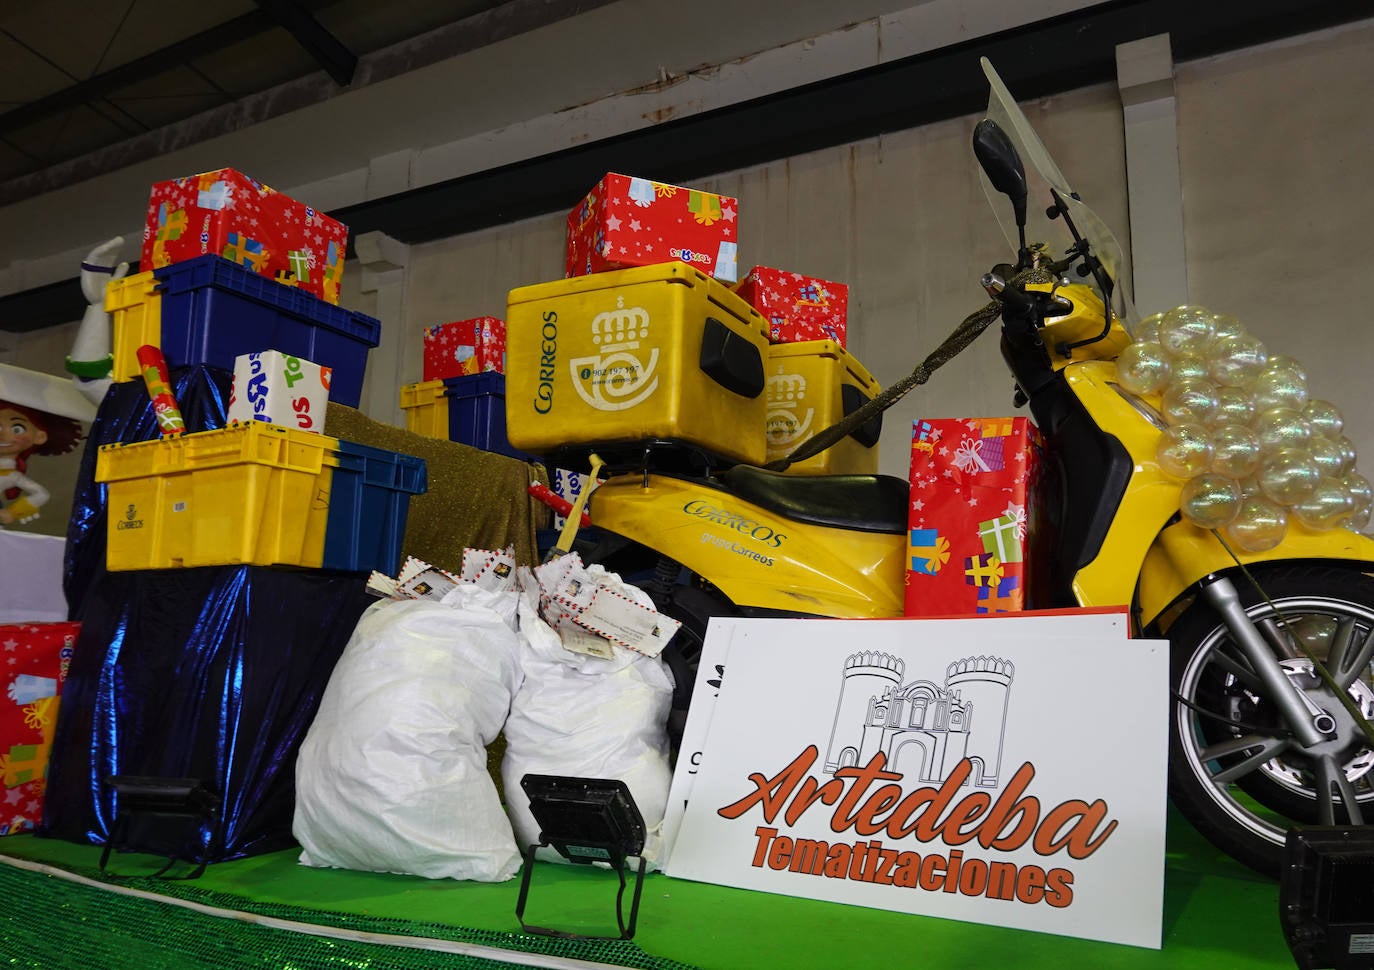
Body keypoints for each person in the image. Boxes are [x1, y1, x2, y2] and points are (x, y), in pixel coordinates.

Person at [0, 400, 82, 527]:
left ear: (40, 437)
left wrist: (13, 512)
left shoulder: (12, 476)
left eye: (17, 429)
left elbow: (41, 494)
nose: (3, 435)